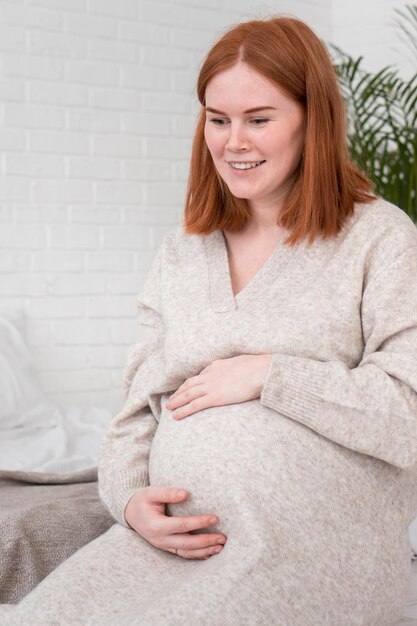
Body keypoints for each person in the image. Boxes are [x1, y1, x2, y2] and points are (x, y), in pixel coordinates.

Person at [2, 14, 417, 626]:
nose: (233, 142)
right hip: (171, 545)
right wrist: (128, 502)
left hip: (311, 547)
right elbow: (135, 413)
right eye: (217, 119)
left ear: (314, 118)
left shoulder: (379, 237)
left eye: (259, 119)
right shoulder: (184, 249)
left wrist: (270, 374)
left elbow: (407, 413)